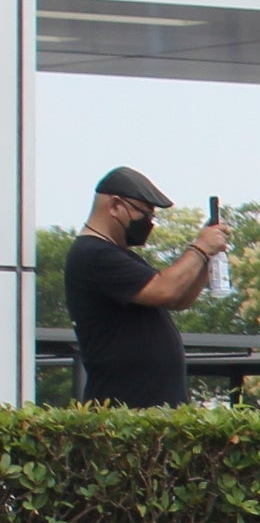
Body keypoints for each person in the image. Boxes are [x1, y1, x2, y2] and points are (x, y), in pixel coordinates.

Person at [64, 168, 228, 408]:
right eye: (143, 213)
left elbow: (178, 299)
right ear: (115, 206)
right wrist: (201, 247)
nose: (149, 223)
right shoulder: (93, 254)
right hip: (125, 408)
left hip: (151, 407)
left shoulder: (121, 256)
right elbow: (165, 289)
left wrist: (208, 257)